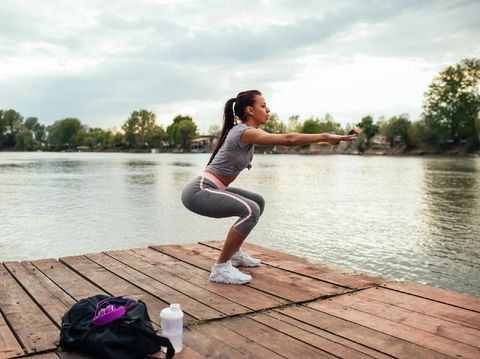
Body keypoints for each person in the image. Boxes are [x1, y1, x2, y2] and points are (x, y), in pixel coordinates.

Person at [181, 90, 356, 284]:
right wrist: (323, 136)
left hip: (212, 187)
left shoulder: (248, 132)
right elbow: (288, 139)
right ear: (250, 110)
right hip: (199, 191)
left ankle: (234, 254)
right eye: (263, 106)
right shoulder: (244, 132)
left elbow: (285, 139)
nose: (268, 110)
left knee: (257, 201)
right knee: (250, 210)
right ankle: (220, 269)